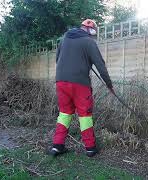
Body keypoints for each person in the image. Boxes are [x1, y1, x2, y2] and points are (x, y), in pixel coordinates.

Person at [49, 19, 113, 157]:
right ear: (91, 31)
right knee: (84, 115)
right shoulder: (88, 41)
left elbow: (58, 59)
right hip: (80, 83)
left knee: (65, 113)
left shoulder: (64, 38)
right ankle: (90, 148)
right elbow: (100, 65)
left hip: (61, 81)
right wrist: (109, 84)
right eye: (93, 33)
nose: (92, 36)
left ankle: (57, 146)